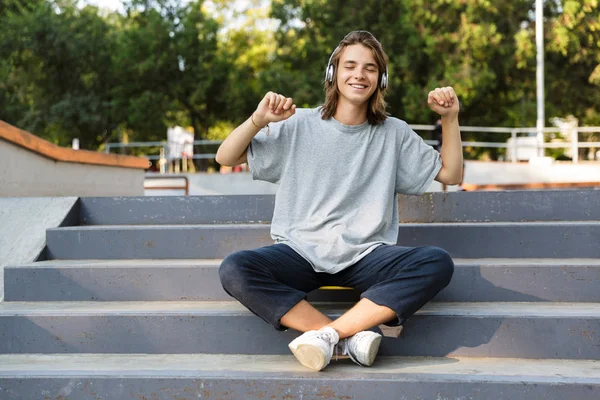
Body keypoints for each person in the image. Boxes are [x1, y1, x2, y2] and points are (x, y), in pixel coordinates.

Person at [216, 30, 463, 372]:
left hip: (366, 255)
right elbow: (226, 157)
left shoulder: (394, 133)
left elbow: (451, 174)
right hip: (300, 251)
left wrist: (450, 118)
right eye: (350, 65)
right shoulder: (298, 123)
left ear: (381, 79)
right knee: (235, 269)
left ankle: (330, 335)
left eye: (370, 68)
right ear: (333, 73)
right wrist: (258, 120)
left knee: (436, 262)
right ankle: (348, 339)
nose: (359, 74)